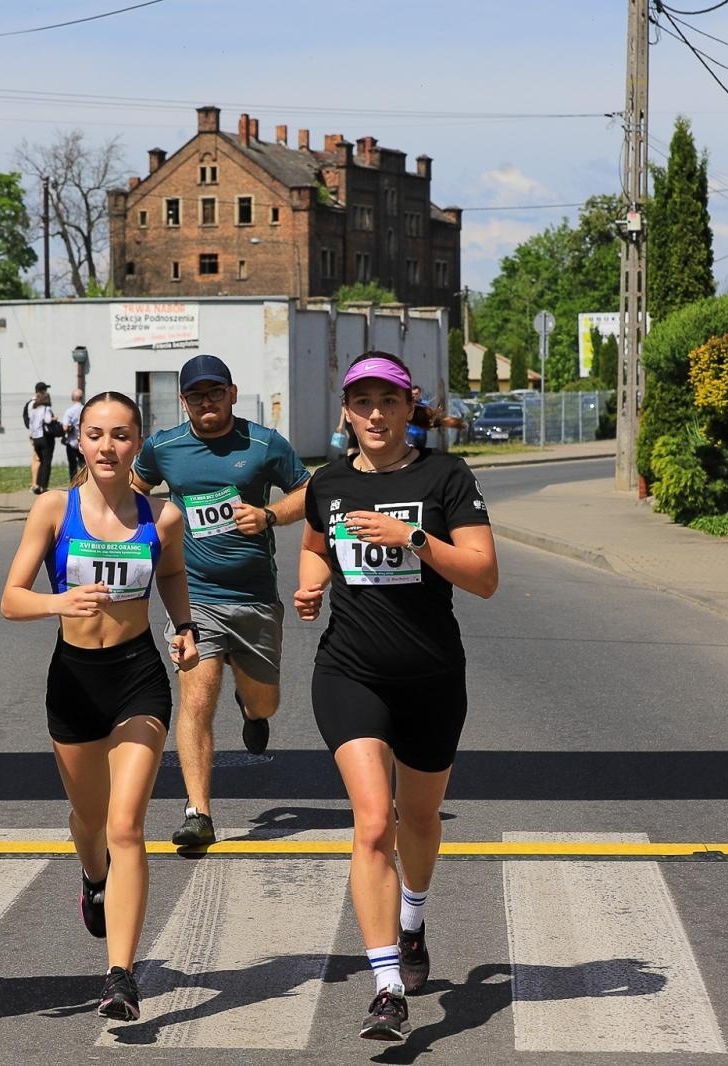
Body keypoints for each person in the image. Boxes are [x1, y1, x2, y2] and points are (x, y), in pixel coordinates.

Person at [295, 351, 498, 1042]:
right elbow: (316, 544)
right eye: (362, 402)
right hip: (350, 672)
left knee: (419, 820)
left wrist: (412, 536)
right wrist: (311, 583)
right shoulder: (328, 482)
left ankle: (413, 918)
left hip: (433, 679)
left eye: (388, 401)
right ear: (346, 412)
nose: (375, 414)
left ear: (410, 406)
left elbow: (484, 576)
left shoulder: (445, 475)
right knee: (374, 823)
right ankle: (386, 989)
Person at [0, 391, 198, 1024]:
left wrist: (184, 623)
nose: (108, 446)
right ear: (78, 442)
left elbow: (170, 575)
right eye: (95, 434)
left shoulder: (161, 517)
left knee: (126, 825)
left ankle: (120, 975)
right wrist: (60, 603)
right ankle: (93, 880)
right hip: (76, 681)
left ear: (138, 442)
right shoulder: (53, 511)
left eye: (120, 435)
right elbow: (10, 599)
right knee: (89, 822)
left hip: (138, 676)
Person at [131, 353, 311, 847]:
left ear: (232, 393)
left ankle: (252, 712)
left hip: (254, 599)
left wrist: (270, 516)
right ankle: (198, 813)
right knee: (195, 699)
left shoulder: (263, 444)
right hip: (194, 597)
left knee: (265, 702)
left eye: (215, 393)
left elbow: (307, 491)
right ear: (183, 400)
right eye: (195, 395)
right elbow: (131, 491)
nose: (206, 402)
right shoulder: (163, 447)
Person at [25, 382, 57, 494]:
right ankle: (43, 486)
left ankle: (37, 484)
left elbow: (30, 422)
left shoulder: (32, 407)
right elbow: (48, 420)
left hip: (35, 437)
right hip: (44, 437)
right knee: (46, 462)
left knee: (39, 460)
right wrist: (54, 419)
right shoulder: (45, 409)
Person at [62, 387, 86, 482]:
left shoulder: (69, 411)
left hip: (72, 441)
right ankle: (85, 481)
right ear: (82, 398)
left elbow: (65, 427)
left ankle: (73, 483)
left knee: (72, 465)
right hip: (83, 441)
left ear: (72, 398)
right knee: (84, 464)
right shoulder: (85, 409)